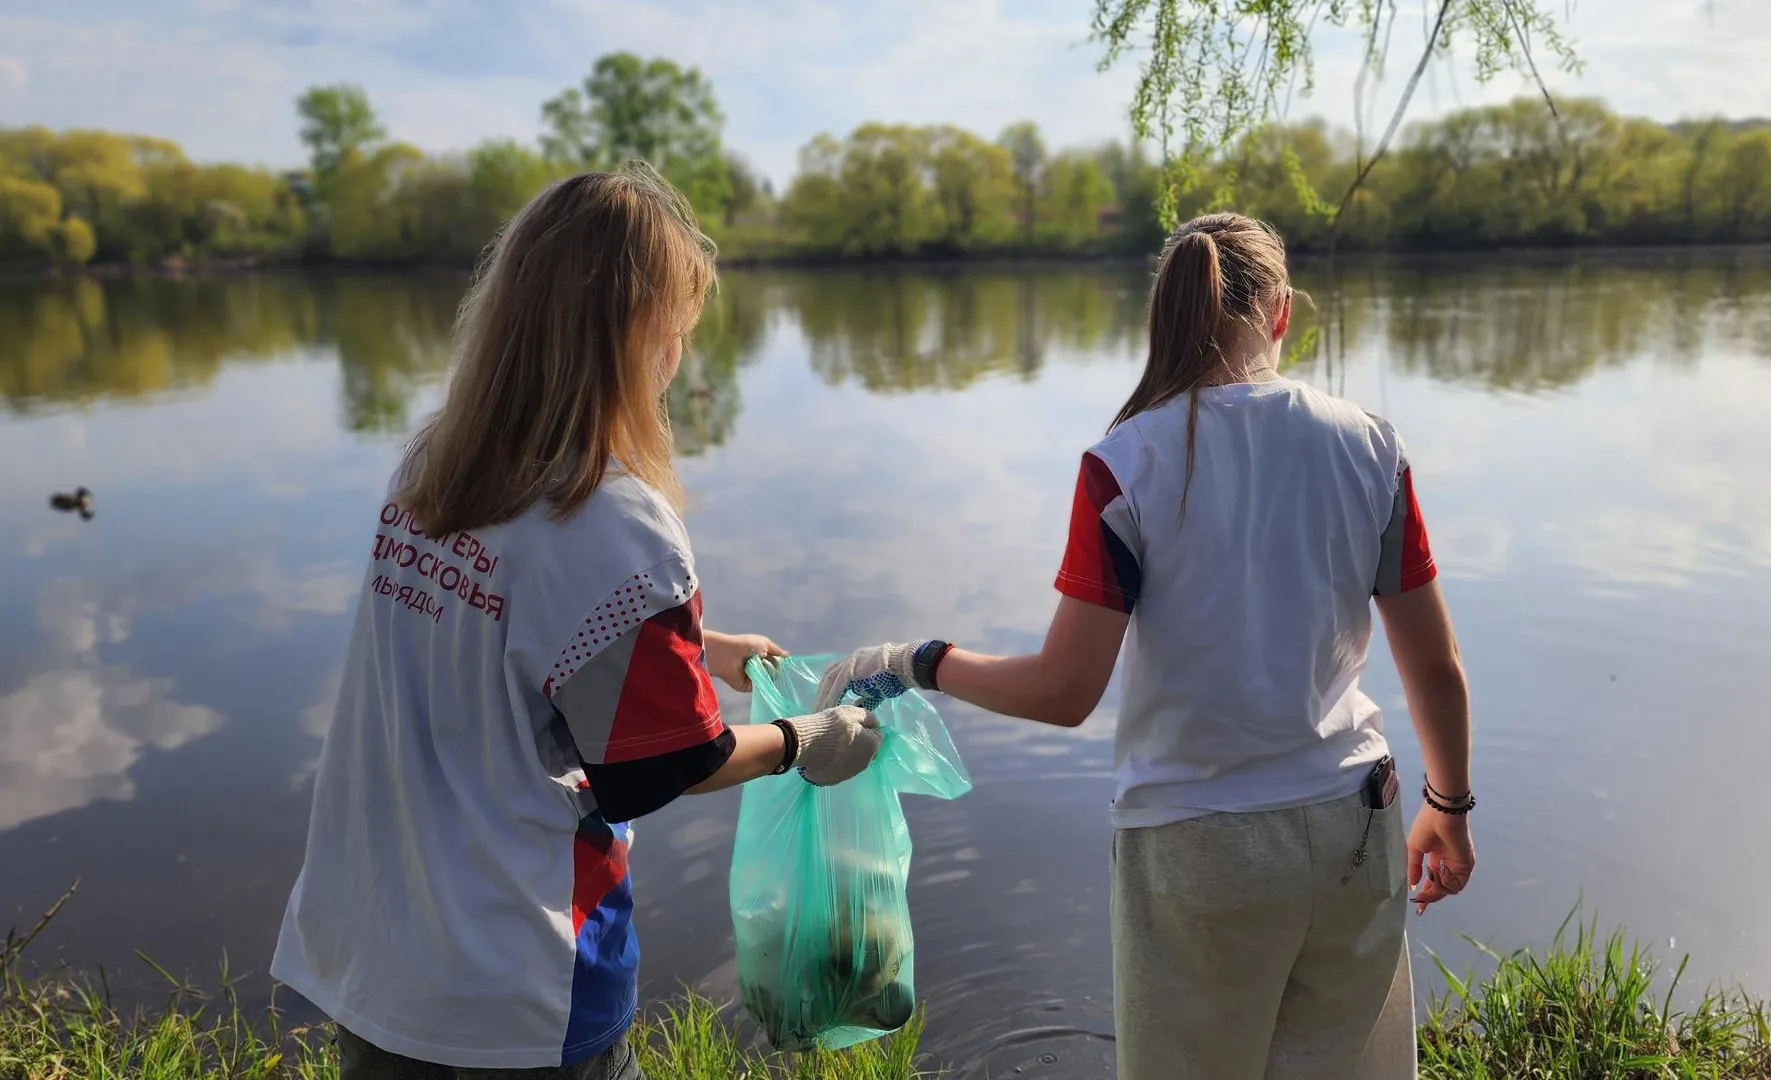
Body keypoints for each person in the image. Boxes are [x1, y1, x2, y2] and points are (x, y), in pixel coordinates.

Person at [816, 212, 1476, 1079]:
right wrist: (1451, 809)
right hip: (1357, 819)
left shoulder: (1124, 465)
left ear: (1164, 317)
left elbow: (1064, 691)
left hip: (1200, 850)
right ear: (1281, 313)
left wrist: (914, 661)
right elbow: (1435, 666)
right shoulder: (1371, 446)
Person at [271, 164, 883, 1080]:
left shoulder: (442, 466)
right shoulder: (611, 517)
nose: (680, 356)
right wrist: (808, 739)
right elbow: (668, 766)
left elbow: (492, 630)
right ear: (632, 337)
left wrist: (700, 649)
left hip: (375, 955)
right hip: (517, 986)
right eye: (675, 329)